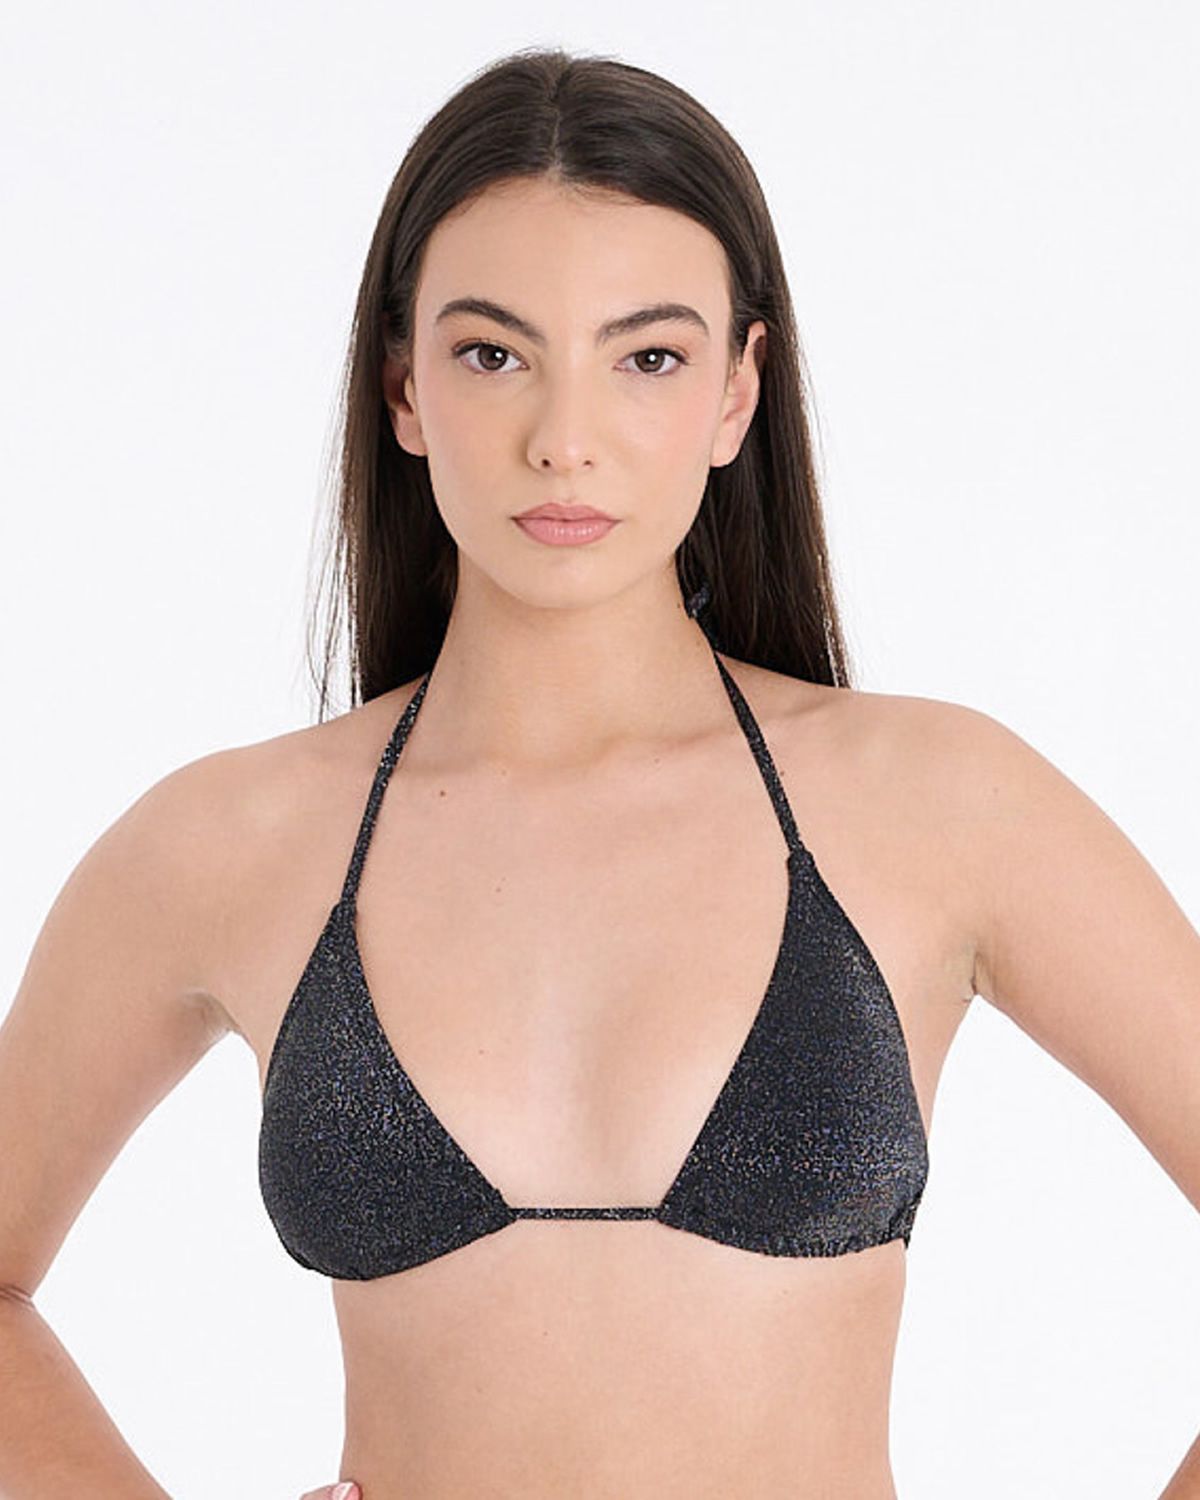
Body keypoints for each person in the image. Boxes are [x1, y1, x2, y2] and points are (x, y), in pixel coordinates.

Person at [2, 44, 1199, 1500]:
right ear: (402, 387)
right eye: (493, 354)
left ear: (738, 393)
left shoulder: (937, 803)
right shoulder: (229, 841)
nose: (563, 442)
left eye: (648, 358)